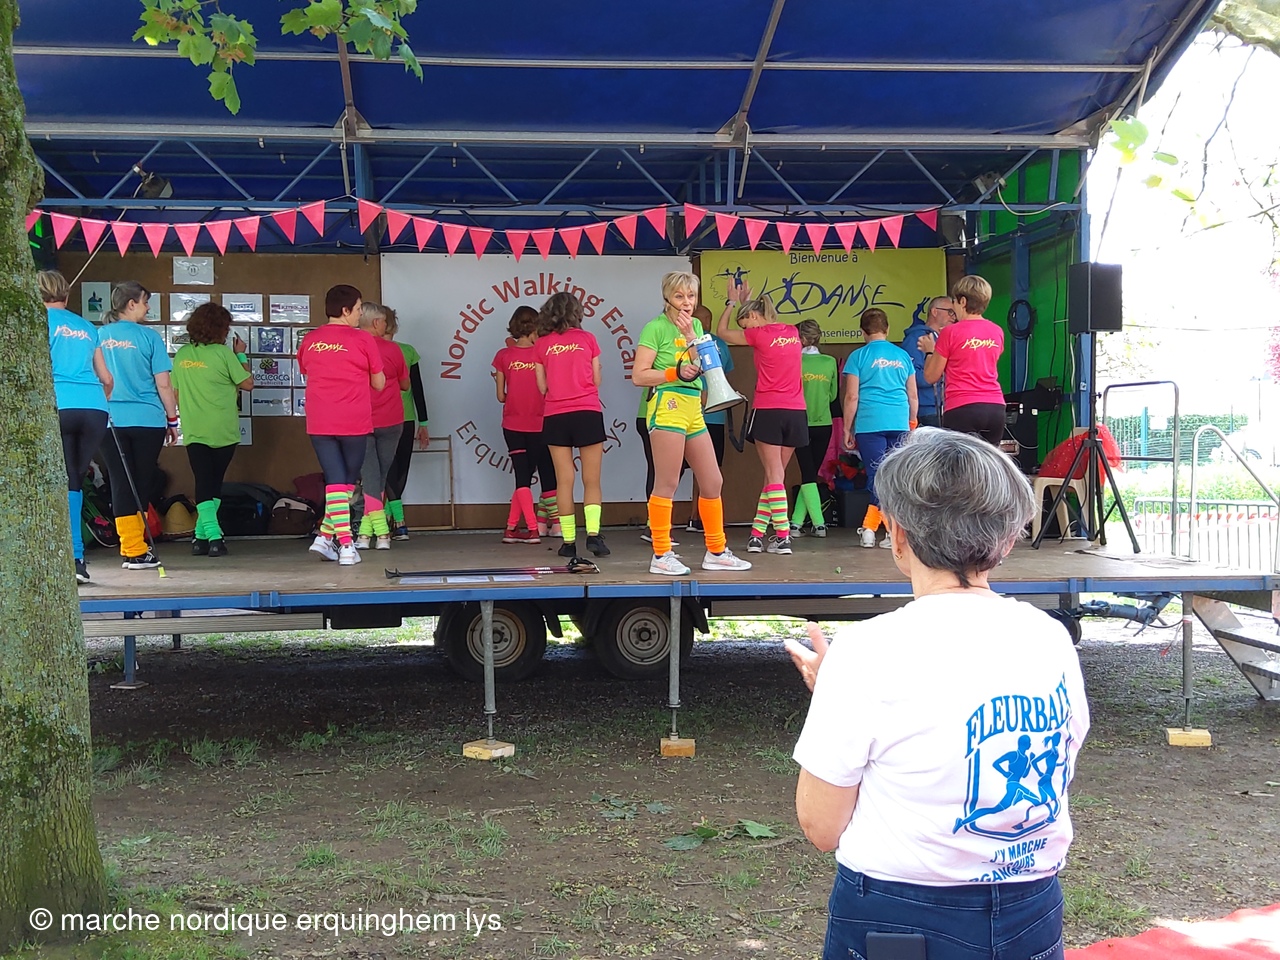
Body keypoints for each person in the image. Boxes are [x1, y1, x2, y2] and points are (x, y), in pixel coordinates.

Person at [785, 428, 1090, 960]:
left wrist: (837, 690)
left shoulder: (868, 651)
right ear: (1008, 539)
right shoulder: (1050, 637)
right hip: (1032, 908)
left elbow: (821, 826)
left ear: (898, 534)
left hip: (899, 916)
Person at [633, 271, 751, 576]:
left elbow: (704, 364)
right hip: (667, 404)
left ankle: (716, 551)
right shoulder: (655, 328)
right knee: (668, 482)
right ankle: (661, 554)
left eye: (691, 296)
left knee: (712, 481)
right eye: (680, 296)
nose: (687, 302)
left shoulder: (696, 326)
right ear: (667, 298)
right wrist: (674, 372)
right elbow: (639, 375)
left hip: (694, 407)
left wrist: (690, 337)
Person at [297, 284, 385, 566]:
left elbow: (305, 370)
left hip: (319, 420)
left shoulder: (310, 339)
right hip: (353, 420)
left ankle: (324, 537)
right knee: (344, 481)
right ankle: (346, 545)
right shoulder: (363, 339)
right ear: (346, 310)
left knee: (339, 482)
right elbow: (379, 383)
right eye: (358, 309)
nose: (360, 314)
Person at [716, 284, 806, 556]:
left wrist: (732, 303)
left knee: (774, 475)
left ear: (753, 318)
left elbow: (722, 332)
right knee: (774, 476)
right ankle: (756, 535)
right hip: (796, 411)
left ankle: (783, 536)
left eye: (746, 324)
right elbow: (765, 318)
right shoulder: (792, 332)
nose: (746, 330)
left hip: (768, 409)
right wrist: (749, 303)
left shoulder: (758, 335)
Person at [96, 281, 178, 570]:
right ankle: (137, 549)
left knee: (120, 481)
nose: (148, 307)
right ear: (131, 304)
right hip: (147, 420)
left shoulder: (98, 336)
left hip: (109, 420)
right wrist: (173, 420)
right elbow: (164, 384)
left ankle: (131, 548)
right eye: (145, 301)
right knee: (141, 481)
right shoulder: (149, 337)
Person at [41, 269, 112, 584]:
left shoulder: (38, 322)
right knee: (74, 480)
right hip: (94, 407)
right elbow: (107, 378)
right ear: (67, 295)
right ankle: (77, 560)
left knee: (57, 481)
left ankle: (67, 557)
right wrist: (95, 398)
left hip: (58, 404)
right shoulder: (86, 326)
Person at [171, 302, 253, 558]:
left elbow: (175, 393)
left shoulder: (182, 355)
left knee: (206, 482)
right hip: (223, 428)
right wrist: (241, 355)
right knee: (212, 483)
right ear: (221, 329)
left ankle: (200, 537)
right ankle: (215, 536)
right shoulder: (223, 354)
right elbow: (248, 384)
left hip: (194, 428)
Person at [534, 292, 609, 559]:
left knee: (564, 480)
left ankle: (567, 541)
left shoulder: (541, 344)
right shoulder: (588, 339)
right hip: (587, 411)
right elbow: (597, 379)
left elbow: (542, 387)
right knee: (592, 479)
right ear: (577, 313)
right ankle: (593, 535)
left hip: (556, 415)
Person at [842, 308, 918, 549]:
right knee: (893, 478)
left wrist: (846, 428)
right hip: (899, 421)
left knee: (876, 475)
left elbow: (852, 396)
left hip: (870, 423)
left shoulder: (858, 356)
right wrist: (912, 422)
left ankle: (870, 529)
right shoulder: (903, 356)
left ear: (862, 332)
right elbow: (913, 395)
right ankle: (886, 532)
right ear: (887, 329)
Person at [493, 305, 556, 545]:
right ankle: (533, 529)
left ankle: (513, 528)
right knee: (539, 473)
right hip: (540, 422)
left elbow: (501, 396)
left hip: (512, 423)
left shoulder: (503, 356)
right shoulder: (543, 353)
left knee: (522, 476)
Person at [919, 276, 1007, 444]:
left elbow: (930, 376)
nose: (953, 307)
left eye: (954, 301)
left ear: (963, 301)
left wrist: (930, 351)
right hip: (995, 406)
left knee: (959, 460)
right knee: (988, 459)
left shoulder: (950, 332)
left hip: (962, 406)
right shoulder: (997, 331)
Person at [354, 303, 409, 551]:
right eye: (385, 321)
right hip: (391, 421)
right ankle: (378, 533)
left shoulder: (352, 347)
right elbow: (405, 384)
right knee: (379, 477)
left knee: (371, 478)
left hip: (360, 421)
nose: (387, 326)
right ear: (376, 323)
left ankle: (368, 534)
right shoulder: (393, 350)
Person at [380, 306, 430, 541]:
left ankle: (392, 518)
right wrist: (424, 422)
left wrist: (424, 422)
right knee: (397, 469)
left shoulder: (407, 351)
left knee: (393, 470)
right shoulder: (400, 351)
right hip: (395, 418)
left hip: (399, 418)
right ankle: (398, 522)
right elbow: (418, 390)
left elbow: (417, 388)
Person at [686, 305, 733, 533]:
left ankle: (702, 518)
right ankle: (694, 516)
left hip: (715, 415)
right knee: (684, 470)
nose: (705, 323)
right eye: (701, 318)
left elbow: (726, 375)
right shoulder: (685, 342)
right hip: (690, 412)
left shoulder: (720, 344)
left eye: (708, 319)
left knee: (711, 470)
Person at [792, 319, 838, 537]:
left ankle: (818, 524)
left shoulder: (794, 361)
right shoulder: (830, 362)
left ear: (800, 338)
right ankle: (796, 523)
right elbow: (834, 395)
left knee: (808, 473)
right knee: (809, 473)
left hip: (800, 422)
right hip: (824, 423)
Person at [901, 295, 955, 428]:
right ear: (934, 312)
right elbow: (913, 377)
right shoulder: (916, 338)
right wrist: (938, 373)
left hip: (948, 408)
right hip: (927, 410)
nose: (953, 317)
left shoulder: (947, 338)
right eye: (950, 312)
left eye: (955, 313)